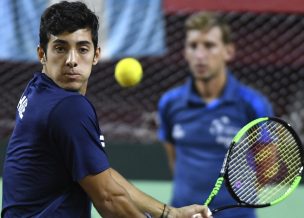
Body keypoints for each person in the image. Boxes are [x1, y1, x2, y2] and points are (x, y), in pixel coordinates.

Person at [1, 2, 212, 218]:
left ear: (96, 55)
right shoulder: (69, 107)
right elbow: (107, 199)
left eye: (82, 49)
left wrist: (169, 214)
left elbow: (102, 176)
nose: (72, 61)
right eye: (60, 48)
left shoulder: (37, 89)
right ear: (41, 54)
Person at [157, 12, 273, 218]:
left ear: (228, 51)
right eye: (193, 46)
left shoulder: (253, 105)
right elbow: (173, 158)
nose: (200, 55)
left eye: (209, 45)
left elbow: (267, 167)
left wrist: (237, 192)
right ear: (185, 52)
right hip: (184, 212)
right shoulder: (170, 103)